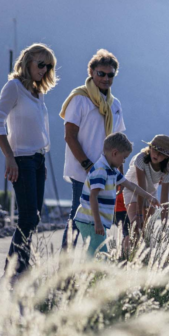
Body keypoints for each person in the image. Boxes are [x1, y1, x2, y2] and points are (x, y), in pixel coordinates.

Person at [0, 43, 58, 275]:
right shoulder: (14, 87)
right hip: (21, 159)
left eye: (48, 66)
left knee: (34, 218)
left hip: (38, 161)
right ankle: (14, 269)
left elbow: (39, 130)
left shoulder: (37, 92)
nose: (44, 69)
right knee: (28, 217)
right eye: (41, 64)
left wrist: (43, 158)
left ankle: (22, 266)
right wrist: (9, 156)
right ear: (27, 61)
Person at [60, 49, 125, 248]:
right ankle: (64, 269)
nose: (106, 78)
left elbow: (119, 142)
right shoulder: (80, 99)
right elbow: (69, 136)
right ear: (91, 72)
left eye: (110, 75)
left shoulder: (114, 104)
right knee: (78, 216)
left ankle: (92, 268)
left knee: (100, 219)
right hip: (83, 170)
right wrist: (88, 165)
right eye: (101, 74)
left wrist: (119, 174)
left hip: (107, 173)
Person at [74, 132, 160, 257]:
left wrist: (149, 196)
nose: (124, 161)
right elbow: (93, 196)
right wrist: (97, 222)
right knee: (100, 254)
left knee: (93, 254)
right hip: (90, 220)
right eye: (124, 157)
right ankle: (92, 275)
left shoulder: (112, 170)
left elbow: (130, 185)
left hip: (94, 221)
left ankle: (87, 275)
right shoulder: (101, 171)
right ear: (114, 153)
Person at [123, 135, 169, 241]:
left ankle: (140, 255)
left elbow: (164, 199)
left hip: (151, 193)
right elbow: (140, 188)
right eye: (155, 150)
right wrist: (139, 215)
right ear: (150, 148)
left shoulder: (167, 171)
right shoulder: (141, 158)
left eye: (161, 154)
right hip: (132, 189)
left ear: (166, 157)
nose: (156, 154)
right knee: (135, 225)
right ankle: (125, 254)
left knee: (147, 230)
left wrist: (164, 225)